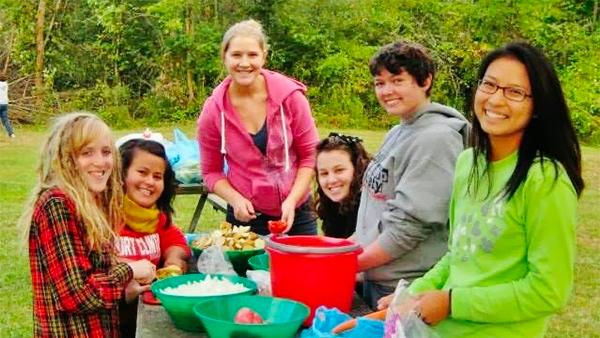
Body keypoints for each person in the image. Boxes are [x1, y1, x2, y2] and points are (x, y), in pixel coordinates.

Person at [380, 41, 584, 338]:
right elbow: (459, 254)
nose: (496, 100)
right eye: (489, 85)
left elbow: (548, 291)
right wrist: (413, 294)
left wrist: (453, 303)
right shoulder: (468, 163)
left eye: (515, 92)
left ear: (538, 106)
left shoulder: (544, 180)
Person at [354, 41, 469, 309]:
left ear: (425, 80)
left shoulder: (436, 140)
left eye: (397, 80)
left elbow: (410, 227)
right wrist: (333, 251)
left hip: (402, 288)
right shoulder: (399, 131)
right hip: (375, 276)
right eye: (379, 83)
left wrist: (346, 265)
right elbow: (378, 209)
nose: (386, 91)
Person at [21, 112, 156, 337]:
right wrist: (129, 269)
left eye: (106, 152)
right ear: (65, 159)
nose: (100, 162)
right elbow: (76, 294)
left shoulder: (89, 202)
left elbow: (91, 273)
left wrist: (124, 291)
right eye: (86, 153)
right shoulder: (56, 204)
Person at [197, 19, 320, 236]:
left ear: (264, 55)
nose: (244, 63)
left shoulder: (291, 98)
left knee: (302, 269)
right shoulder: (213, 111)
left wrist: (292, 201)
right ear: (224, 56)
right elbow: (211, 172)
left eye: (252, 55)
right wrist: (236, 200)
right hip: (246, 220)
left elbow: (310, 157)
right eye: (236, 55)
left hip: (296, 214)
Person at [115, 136, 191, 337]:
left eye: (157, 176)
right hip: (110, 320)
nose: (149, 181)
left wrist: (174, 259)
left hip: (145, 315)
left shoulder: (157, 217)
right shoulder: (103, 215)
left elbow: (176, 241)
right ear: (122, 173)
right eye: (142, 172)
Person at [314, 132, 371, 238]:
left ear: (357, 168)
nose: (331, 180)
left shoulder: (369, 206)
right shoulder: (332, 204)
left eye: (339, 170)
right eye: (324, 173)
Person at [0, 73, 15, 138]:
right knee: (5, 120)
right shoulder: (6, 84)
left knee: (5, 119)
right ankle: (11, 134)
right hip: (5, 104)